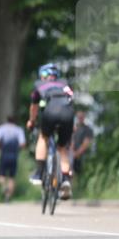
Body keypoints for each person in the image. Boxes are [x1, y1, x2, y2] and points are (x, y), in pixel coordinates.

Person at [26, 63, 76, 199]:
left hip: (50, 113)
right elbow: (71, 102)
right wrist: (73, 124)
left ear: (43, 76)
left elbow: (34, 107)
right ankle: (65, 179)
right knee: (62, 149)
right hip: (68, 115)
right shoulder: (65, 84)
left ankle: (39, 172)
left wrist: (31, 121)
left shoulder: (39, 85)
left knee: (43, 137)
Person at [0, 115, 26, 202]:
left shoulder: (2, 128)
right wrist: (18, 149)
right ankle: (8, 196)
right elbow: (23, 144)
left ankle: (4, 187)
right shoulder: (18, 130)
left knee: (1, 176)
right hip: (14, 155)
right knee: (12, 177)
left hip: (4, 153)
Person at [72, 110, 95, 180]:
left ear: (84, 117)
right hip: (72, 155)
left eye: (81, 116)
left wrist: (76, 154)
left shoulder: (87, 129)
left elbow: (86, 144)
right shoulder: (74, 128)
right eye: (78, 117)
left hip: (83, 157)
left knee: (80, 175)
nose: (79, 118)